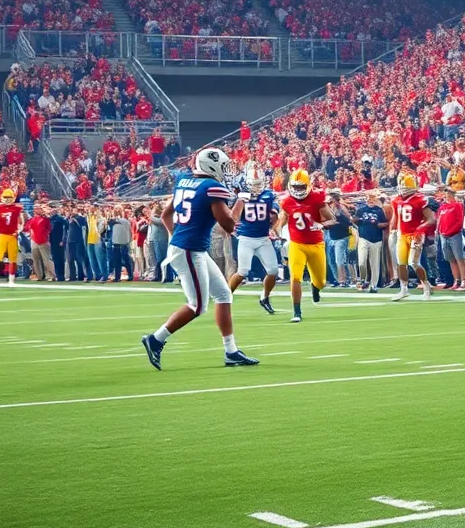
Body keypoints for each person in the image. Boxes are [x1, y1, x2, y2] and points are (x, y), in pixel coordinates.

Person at [140, 148, 258, 369]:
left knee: (223, 294)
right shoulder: (210, 187)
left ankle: (231, 351)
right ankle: (155, 339)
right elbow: (229, 225)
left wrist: (176, 236)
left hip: (188, 247)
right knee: (198, 306)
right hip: (189, 250)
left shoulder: (185, 181)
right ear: (211, 166)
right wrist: (242, 200)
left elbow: (166, 215)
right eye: (223, 167)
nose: (226, 172)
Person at [276, 169, 336, 323]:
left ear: (308, 185)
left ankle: (315, 287)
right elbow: (281, 220)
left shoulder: (317, 198)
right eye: (295, 187)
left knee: (321, 282)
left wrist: (321, 225)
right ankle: (297, 311)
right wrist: (275, 231)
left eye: (301, 187)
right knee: (295, 277)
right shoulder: (286, 201)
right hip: (297, 244)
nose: (297, 190)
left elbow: (332, 219)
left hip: (316, 244)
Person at [228, 165, 282, 314]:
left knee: (273, 271)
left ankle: (264, 297)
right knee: (243, 271)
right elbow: (233, 215)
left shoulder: (268, 195)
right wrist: (240, 202)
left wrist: (274, 218)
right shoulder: (241, 196)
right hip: (246, 238)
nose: (257, 187)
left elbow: (275, 213)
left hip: (263, 238)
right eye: (254, 184)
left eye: (259, 184)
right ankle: (225, 297)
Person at [390, 173, 435, 301]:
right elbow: (395, 217)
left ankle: (426, 286)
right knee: (401, 263)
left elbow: (431, 219)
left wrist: (420, 229)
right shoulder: (396, 200)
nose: (401, 190)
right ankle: (404, 289)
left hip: (416, 234)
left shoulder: (420, 200)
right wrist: (392, 228)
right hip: (402, 234)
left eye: (404, 187)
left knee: (413, 262)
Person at [436, 187, 465, 290]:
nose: (447, 196)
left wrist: (451, 231)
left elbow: (459, 221)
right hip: (443, 235)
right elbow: (439, 220)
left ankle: (464, 280)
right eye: (445, 194)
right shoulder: (442, 207)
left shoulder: (457, 205)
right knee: (450, 259)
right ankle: (456, 280)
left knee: (459, 258)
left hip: (454, 235)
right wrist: (440, 231)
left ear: (453, 194)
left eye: (448, 194)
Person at [352, 192, 388, 292]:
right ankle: (363, 279)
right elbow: (354, 220)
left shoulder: (379, 210)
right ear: (366, 199)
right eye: (369, 198)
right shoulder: (361, 210)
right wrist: (360, 219)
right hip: (363, 237)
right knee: (362, 262)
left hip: (376, 239)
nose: (371, 200)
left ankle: (374, 285)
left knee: (375, 264)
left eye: (373, 198)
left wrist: (377, 224)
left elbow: (385, 223)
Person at [0, 189, 23, 286]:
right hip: (2, 235)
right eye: (6, 197)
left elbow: (21, 222)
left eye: (9, 197)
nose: (8, 199)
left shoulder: (18, 208)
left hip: (12, 236)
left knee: (12, 259)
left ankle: (11, 279)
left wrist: (18, 231)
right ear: (2, 197)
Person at [326, 193, 354, 287]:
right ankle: (337, 279)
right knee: (331, 259)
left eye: (332, 200)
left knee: (339, 259)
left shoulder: (342, 208)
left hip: (342, 237)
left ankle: (343, 280)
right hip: (331, 236)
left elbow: (349, 220)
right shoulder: (327, 209)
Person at [25, 204, 55, 281]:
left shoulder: (45, 219)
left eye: (39, 209)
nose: (37, 210)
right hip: (34, 240)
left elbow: (49, 228)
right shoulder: (32, 219)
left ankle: (51, 275)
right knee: (36, 259)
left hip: (43, 240)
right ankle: (39, 275)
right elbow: (26, 228)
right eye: (36, 209)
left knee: (46, 259)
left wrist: (45, 235)